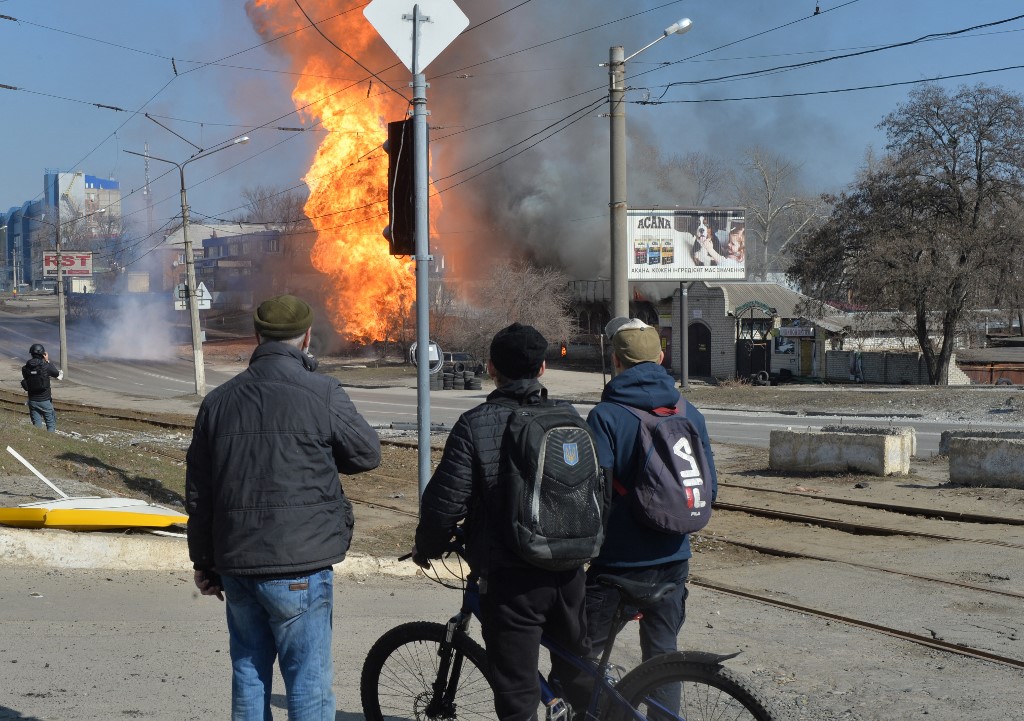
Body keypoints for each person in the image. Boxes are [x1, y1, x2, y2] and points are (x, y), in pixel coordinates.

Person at [186, 294, 382, 721]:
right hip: (301, 563)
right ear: (307, 337)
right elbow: (367, 454)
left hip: (236, 564)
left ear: (256, 336)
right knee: (308, 682)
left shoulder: (218, 401)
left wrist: (204, 560)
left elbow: (199, 491)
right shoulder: (322, 391)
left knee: (249, 673)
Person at [412, 323, 591, 721]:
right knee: (581, 679)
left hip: (512, 579)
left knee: (517, 692)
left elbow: (445, 503)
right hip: (570, 570)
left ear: (491, 368)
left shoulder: (476, 423)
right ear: (542, 368)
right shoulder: (569, 416)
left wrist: (427, 547)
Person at [557, 317, 718, 711]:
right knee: (663, 660)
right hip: (675, 557)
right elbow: (710, 483)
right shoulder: (688, 411)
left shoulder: (607, 416)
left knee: (578, 657)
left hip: (619, 564)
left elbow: (594, 493)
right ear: (662, 357)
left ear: (616, 361)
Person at [21, 343, 63, 432]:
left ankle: (38, 442)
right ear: (43, 354)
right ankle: (50, 443)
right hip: (45, 400)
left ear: (31, 354)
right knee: (50, 425)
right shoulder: (45, 366)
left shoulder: (25, 368)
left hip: (32, 400)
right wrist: (47, 361)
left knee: (37, 426)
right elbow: (56, 373)